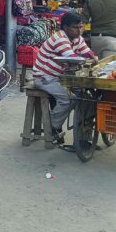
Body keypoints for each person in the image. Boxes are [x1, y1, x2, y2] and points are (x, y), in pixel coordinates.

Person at [31, 12, 96, 141]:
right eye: (75, 27)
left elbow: (87, 52)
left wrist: (93, 57)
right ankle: (52, 126)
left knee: (87, 98)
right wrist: (89, 60)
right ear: (66, 27)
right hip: (45, 78)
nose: (79, 30)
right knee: (68, 99)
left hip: (60, 77)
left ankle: (84, 135)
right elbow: (73, 58)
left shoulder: (77, 38)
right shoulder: (60, 38)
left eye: (80, 27)